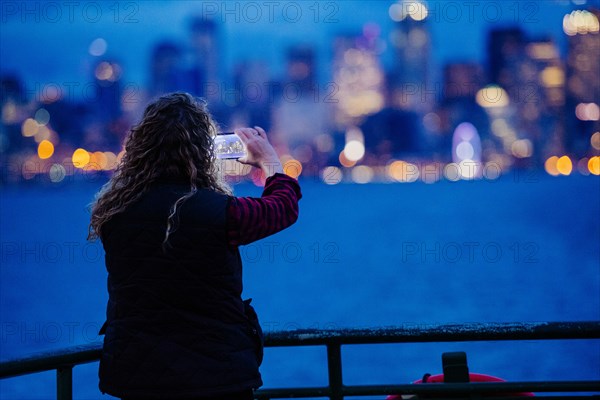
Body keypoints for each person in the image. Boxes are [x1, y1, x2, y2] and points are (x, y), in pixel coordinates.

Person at [88, 92, 302, 400]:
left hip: (137, 378)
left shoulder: (114, 213)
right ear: (204, 152)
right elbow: (282, 208)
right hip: (217, 378)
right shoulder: (221, 212)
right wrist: (269, 160)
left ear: (139, 149)